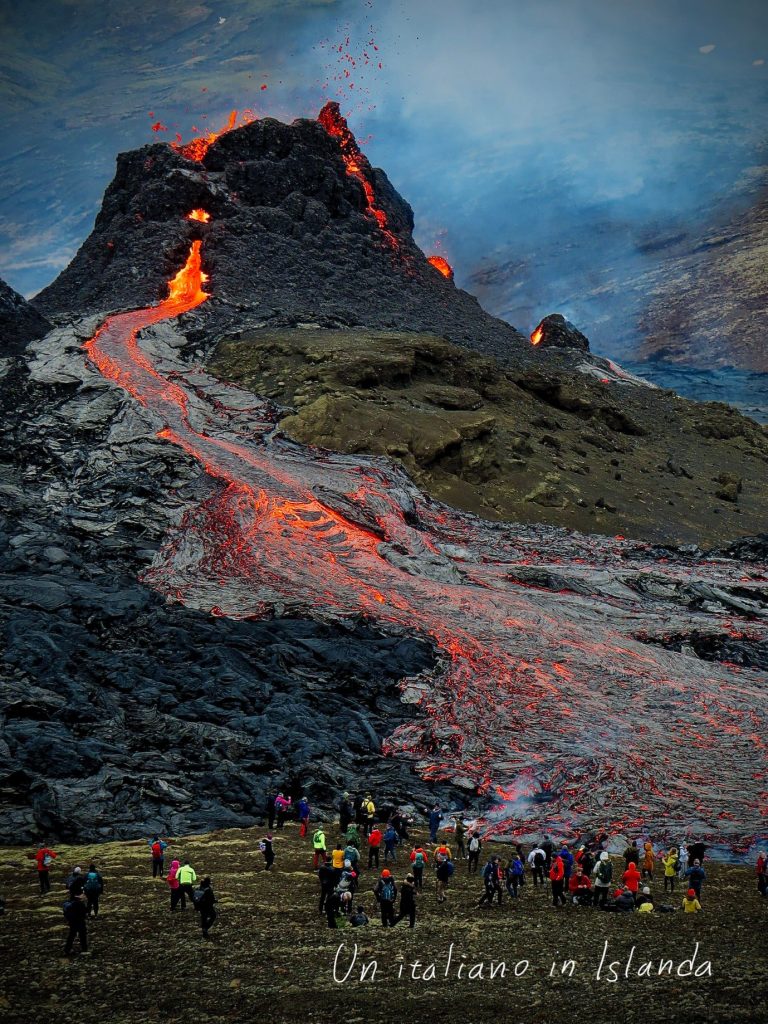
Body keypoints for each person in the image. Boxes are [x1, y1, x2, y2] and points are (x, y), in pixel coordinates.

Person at [63, 888, 89, 955]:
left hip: (72, 921)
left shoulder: (70, 902)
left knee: (71, 935)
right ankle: (84, 949)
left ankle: (67, 949)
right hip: (80, 921)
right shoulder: (79, 903)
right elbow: (85, 912)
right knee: (82, 935)